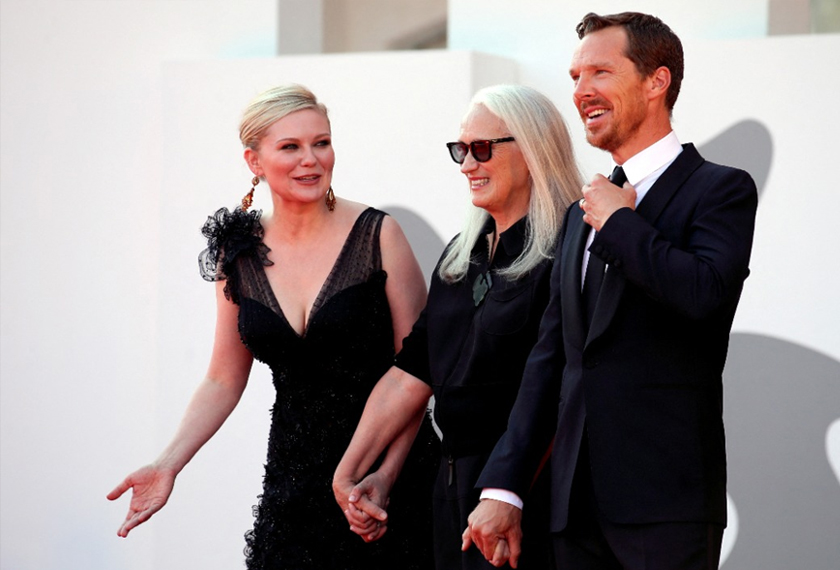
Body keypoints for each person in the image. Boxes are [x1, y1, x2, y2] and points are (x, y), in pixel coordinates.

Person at [462, 12, 759, 570]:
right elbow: (551, 359)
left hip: (665, 505)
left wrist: (621, 223)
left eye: (600, 72)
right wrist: (504, 486)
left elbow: (704, 295)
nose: (581, 91)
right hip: (572, 508)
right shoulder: (581, 213)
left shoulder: (719, 189)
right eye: (575, 77)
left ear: (656, 81)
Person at [107, 84, 439, 569]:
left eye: (321, 143)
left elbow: (419, 367)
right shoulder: (238, 253)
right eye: (290, 146)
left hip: (390, 481)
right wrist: (167, 464)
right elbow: (222, 379)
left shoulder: (378, 234)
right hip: (294, 487)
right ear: (254, 161)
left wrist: (387, 474)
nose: (311, 159)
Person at [332, 84, 583, 569]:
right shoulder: (458, 256)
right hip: (451, 491)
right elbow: (412, 371)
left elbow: (563, 387)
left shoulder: (567, 250)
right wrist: (354, 472)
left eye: (482, 148)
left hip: (529, 492)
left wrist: (508, 490)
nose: (467, 164)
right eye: (460, 149)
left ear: (533, 148)